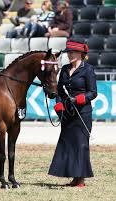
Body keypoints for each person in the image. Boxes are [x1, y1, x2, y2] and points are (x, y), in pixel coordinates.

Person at [49, 39, 97, 187]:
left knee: (81, 144)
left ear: (81, 54)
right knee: (68, 144)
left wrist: (79, 99)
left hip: (82, 112)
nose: (69, 55)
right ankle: (74, 178)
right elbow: (59, 90)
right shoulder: (64, 69)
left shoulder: (87, 69)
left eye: (72, 52)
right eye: (68, 52)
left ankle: (80, 180)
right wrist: (58, 104)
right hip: (67, 113)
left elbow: (93, 93)